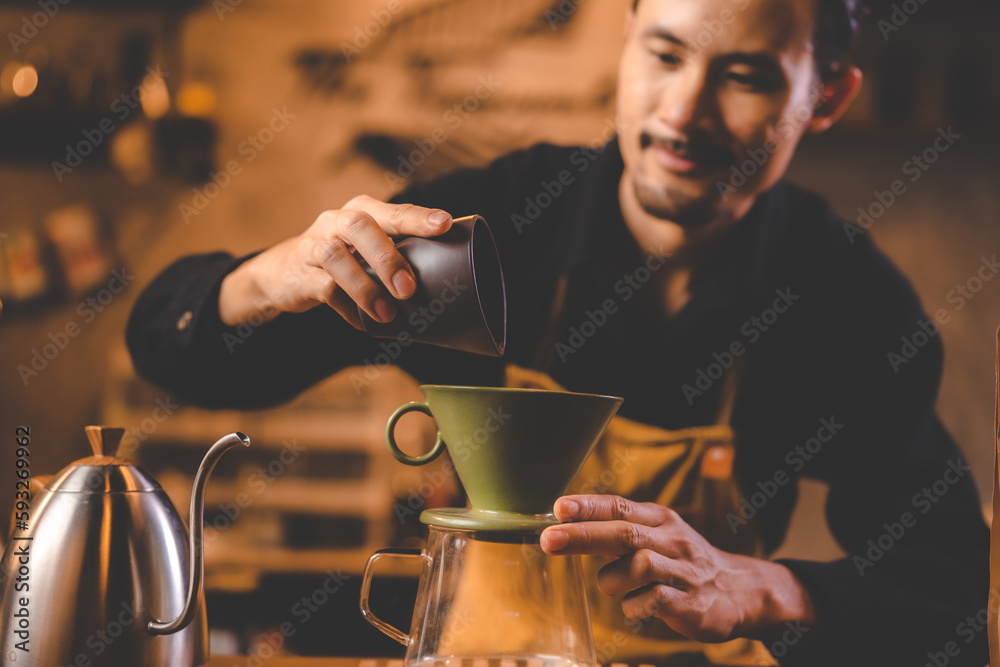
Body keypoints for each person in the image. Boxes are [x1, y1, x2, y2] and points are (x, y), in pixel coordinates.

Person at [126, 0, 989, 664]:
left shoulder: (844, 300)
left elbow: (945, 595)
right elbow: (177, 353)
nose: (683, 112)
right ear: (628, 37)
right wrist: (268, 280)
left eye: (747, 74)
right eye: (664, 53)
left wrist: (755, 586)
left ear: (826, 94)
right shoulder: (494, 225)